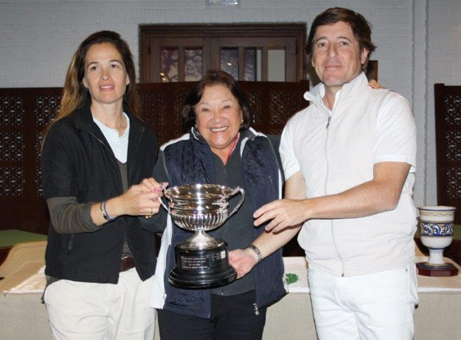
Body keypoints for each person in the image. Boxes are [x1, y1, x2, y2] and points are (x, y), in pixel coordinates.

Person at [230, 7, 418, 340]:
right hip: (323, 276)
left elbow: (386, 192)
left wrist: (305, 208)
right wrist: (252, 253)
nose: (331, 53)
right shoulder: (297, 127)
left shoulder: (389, 107)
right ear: (311, 59)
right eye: (321, 44)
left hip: (382, 273)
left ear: (363, 54)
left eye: (343, 43)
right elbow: (294, 209)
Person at [140, 70, 287, 340]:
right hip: (186, 298)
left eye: (226, 107)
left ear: (242, 113)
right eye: (205, 109)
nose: (216, 118)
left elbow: (323, 144)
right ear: (194, 117)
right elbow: (155, 223)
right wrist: (146, 206)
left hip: (246, 291)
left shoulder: (271, 149)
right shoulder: (172, 153)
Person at [40, 30, 164, 340]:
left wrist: (159, 206)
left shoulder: (145, 135)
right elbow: (63, 217)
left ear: (128, 76)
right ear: (83, 79)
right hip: (78, 283)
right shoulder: (65, 135)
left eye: (114, 65)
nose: (105, 75)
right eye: (94, 67)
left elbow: (151, 215)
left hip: (139, 279)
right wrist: (121, 204)